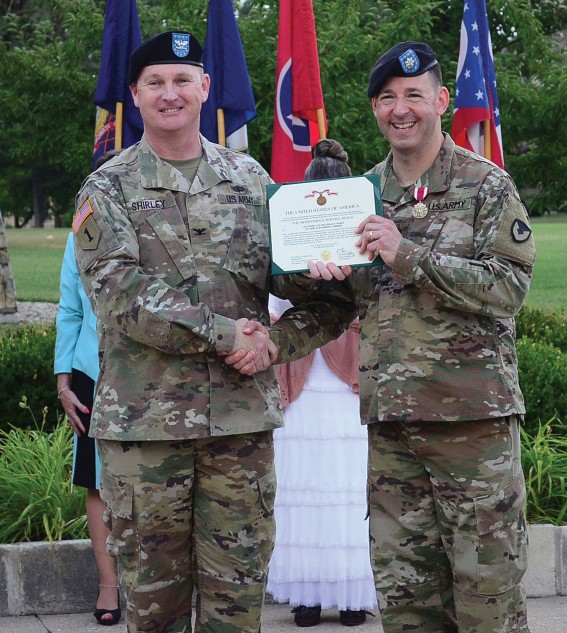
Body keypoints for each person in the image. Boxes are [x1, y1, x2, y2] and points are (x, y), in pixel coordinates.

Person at [71, 30, 354, 633]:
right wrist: (228, 335)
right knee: (155, 611)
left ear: (204, 88)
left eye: (182, 80)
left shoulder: (251, 182)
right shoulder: (107, 188)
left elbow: (320, 294)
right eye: (155, 83)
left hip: (239, 431)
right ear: (136, 96)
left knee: (237, 605)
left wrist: (281, 337)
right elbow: (120, 297)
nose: (169, 94)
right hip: (148, 436)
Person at [306, 42, 536, 633]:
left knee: (489, 602)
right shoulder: (356, 197)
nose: (400, 109)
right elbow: (335, 307)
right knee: (408, 606)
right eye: (386, 98)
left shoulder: (486, 187)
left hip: (472, 429)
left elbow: (508, 289)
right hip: (393, 434)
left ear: (440, 101)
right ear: (376, 110)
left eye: (413, 95)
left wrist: (406, 255)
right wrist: (265, 331)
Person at [266, 140, 377, 628]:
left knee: (322, 482)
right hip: (307, 375)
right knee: (329, 482)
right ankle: (329, 597)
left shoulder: (363, 222)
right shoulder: (288, 225)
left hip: (337, 377)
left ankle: (333, 596)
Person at [55, 229, 120, 626]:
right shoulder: (80, 231)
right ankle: (108, 585)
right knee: (97, 483)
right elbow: (70, 309)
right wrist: (64, 381)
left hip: (153, 377)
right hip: (91, 374)